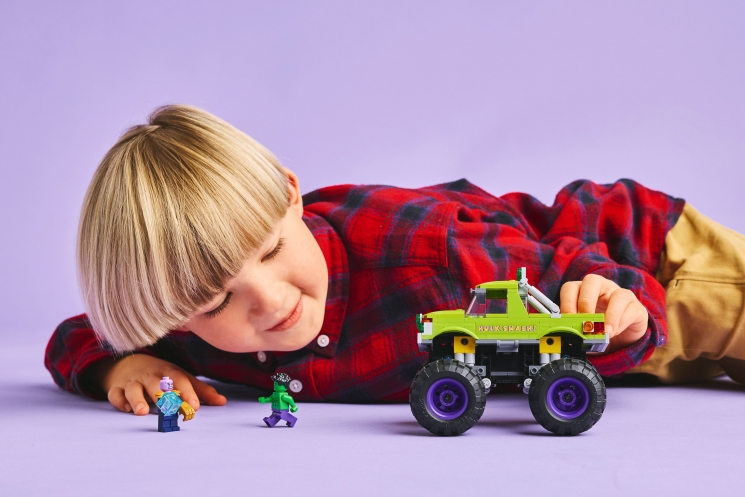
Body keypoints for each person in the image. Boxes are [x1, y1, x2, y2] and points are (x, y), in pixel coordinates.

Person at [44, 104, 745, 418]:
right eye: (216, 301)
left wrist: (618, 303)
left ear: (290, 196)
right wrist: (122, 368)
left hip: (641, 251)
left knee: (709, 321)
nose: (267, 300)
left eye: (271, 250)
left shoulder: (433, 262)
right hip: (596, 285)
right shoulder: (187, 324)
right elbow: (83, 334)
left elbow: (571, 268)